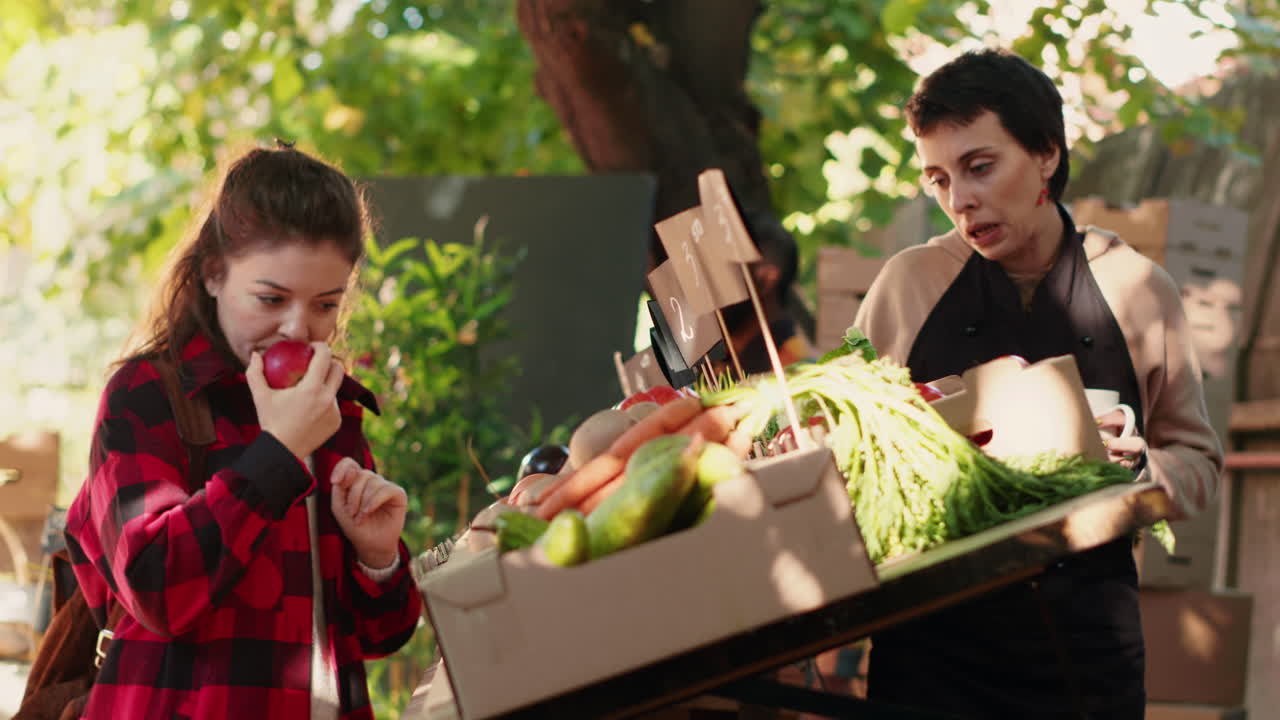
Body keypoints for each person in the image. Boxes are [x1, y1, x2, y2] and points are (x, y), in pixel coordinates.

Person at [852, 49, 1223, 718]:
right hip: (930, 655)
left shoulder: (1137, 289)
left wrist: (1141, 470)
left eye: (980, 167)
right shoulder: (907, 286)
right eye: (937, 178)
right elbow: (844, 458)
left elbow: (1199, 466)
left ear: (1047, 154)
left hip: (1086, 660)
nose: (959, 200)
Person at [63, 142, 422, 719]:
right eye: (270, 298)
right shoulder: (148, 396)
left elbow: (379, 637)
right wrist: (278, 453)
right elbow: (156, 588)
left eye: (325, 305)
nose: (297, 328)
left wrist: (378, 558)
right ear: (212, 273)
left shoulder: (333, 410)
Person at [716, 209, 814, 375]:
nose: (715, 284)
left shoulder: (794, 368)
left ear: (766, 279)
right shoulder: (723, 353)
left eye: (729, 270)